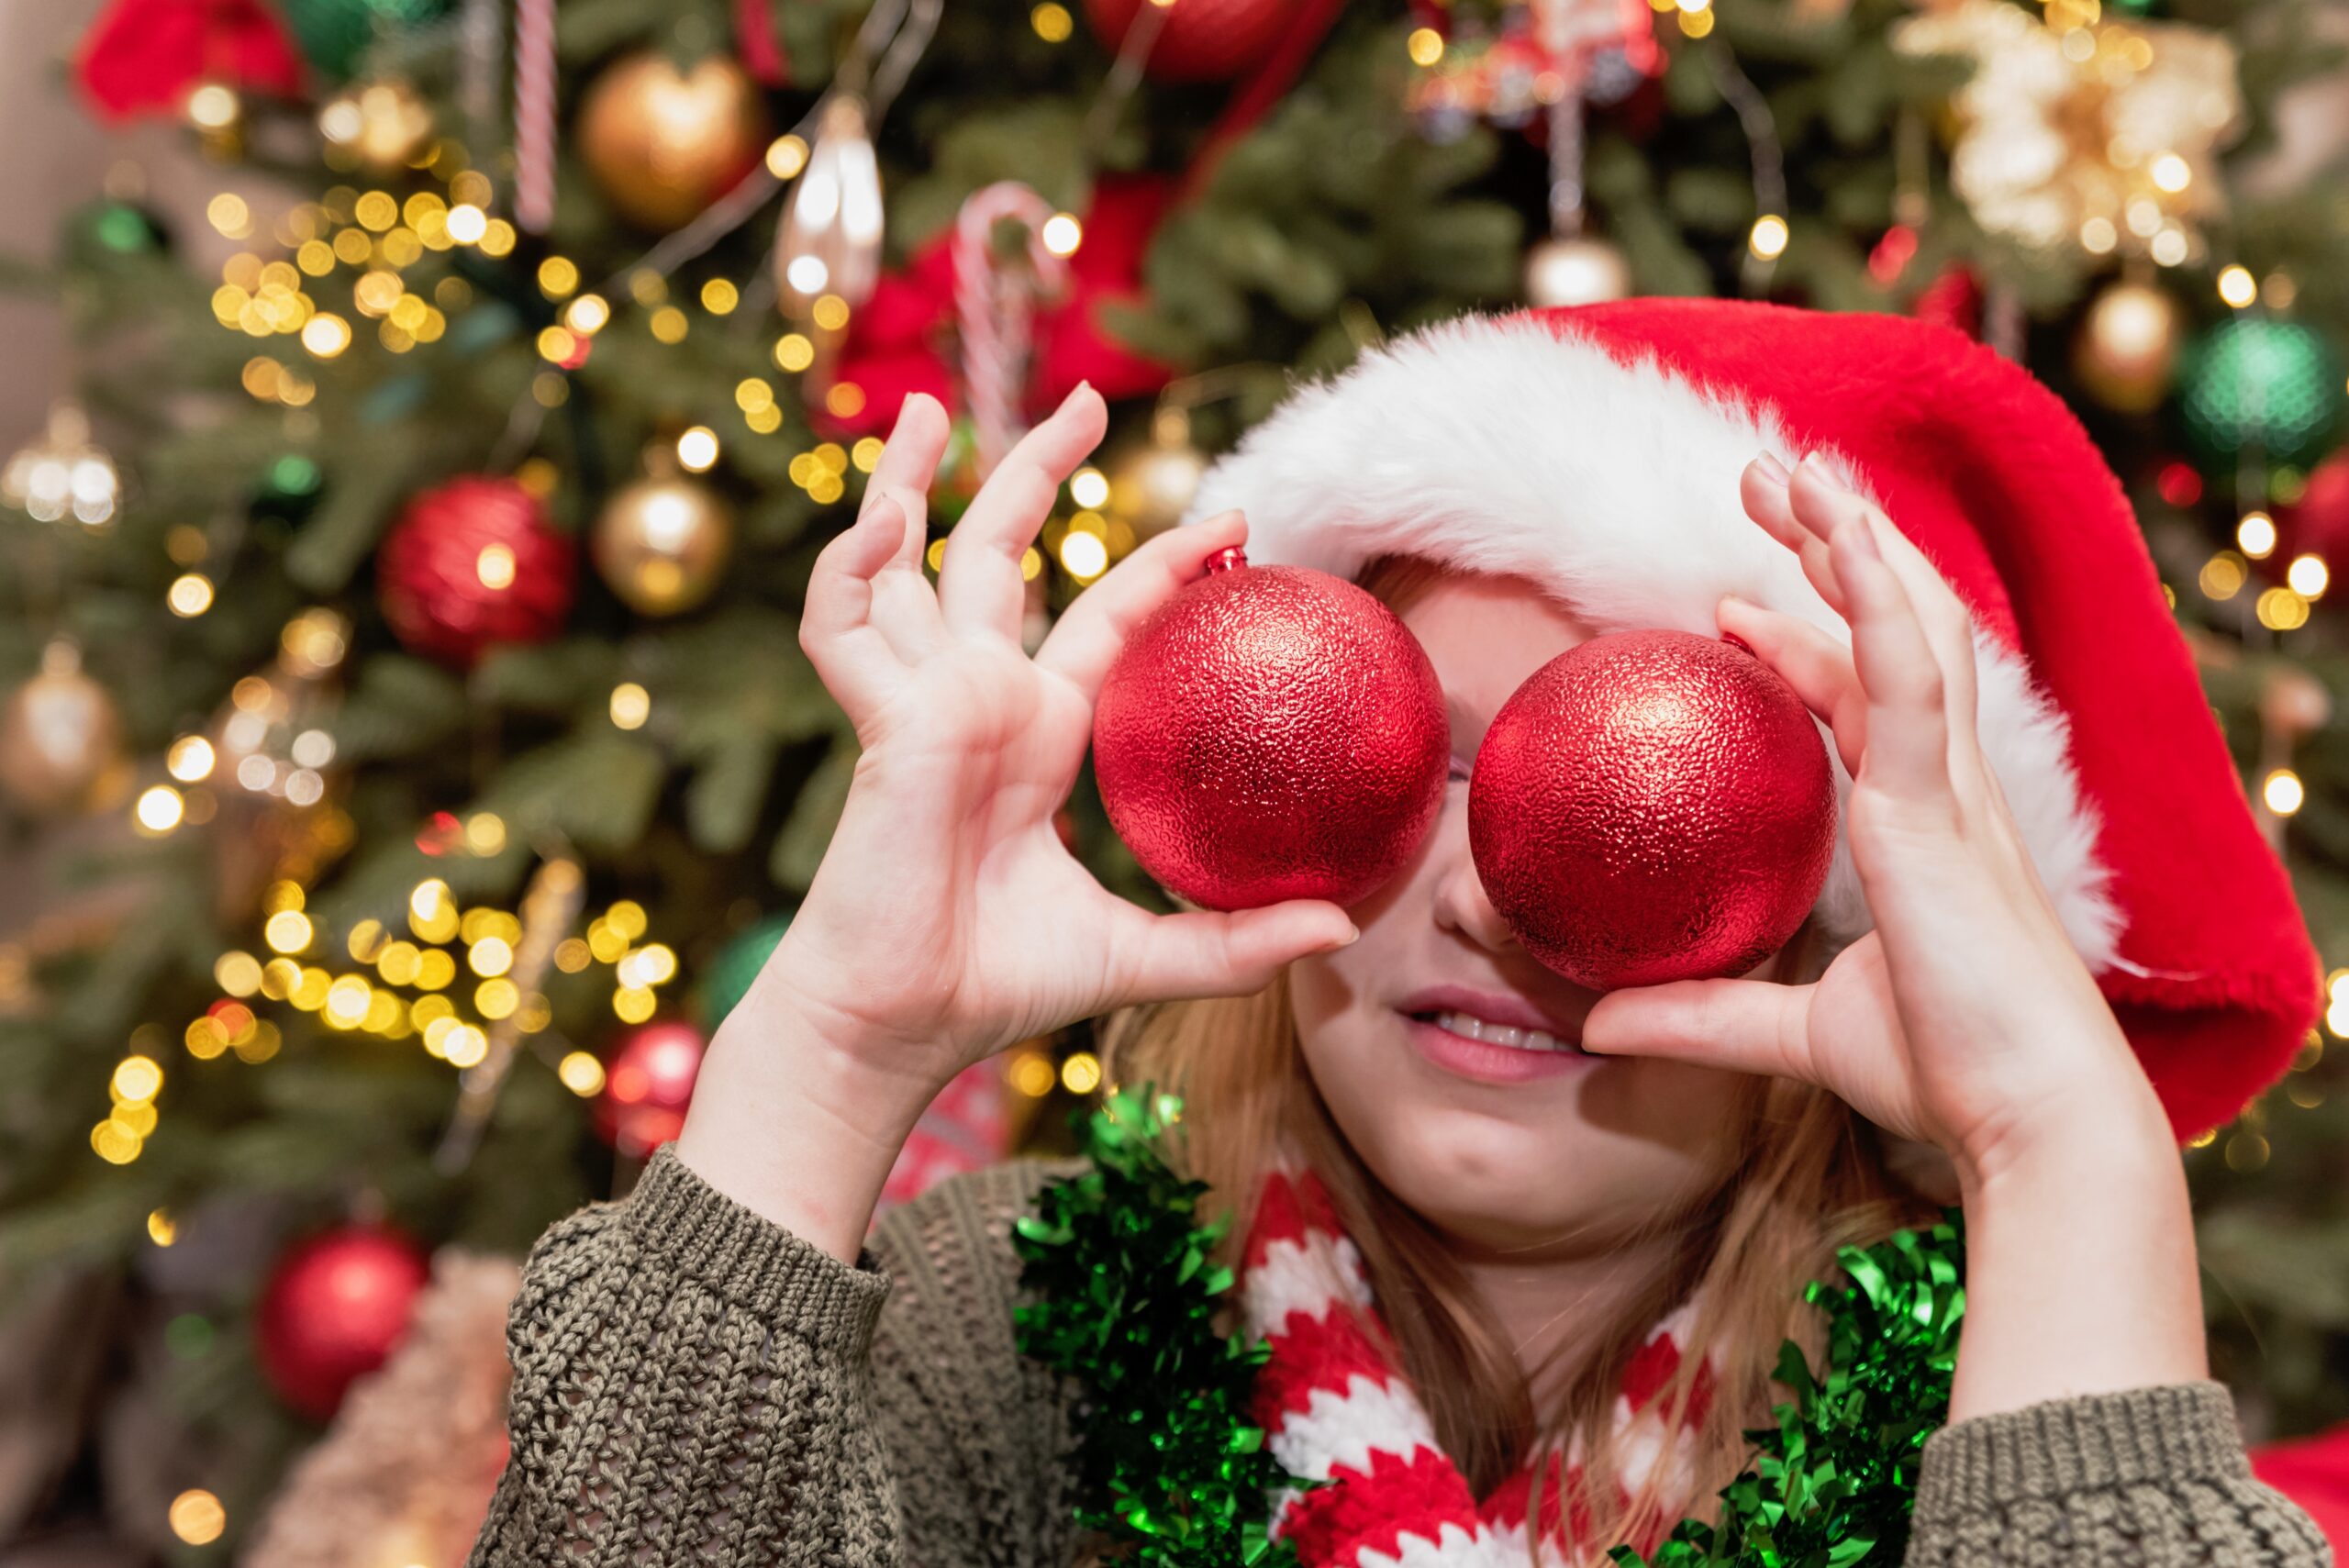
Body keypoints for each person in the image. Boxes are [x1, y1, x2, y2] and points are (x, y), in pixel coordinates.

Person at [465, 302, 2332, 1567]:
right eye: (1392, 769)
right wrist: (829, 1055)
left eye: (1629, 806)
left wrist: (2057, 1141)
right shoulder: (1010, 1330)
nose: (1479, 894)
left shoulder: (1999, 1409)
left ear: (1834, 910)